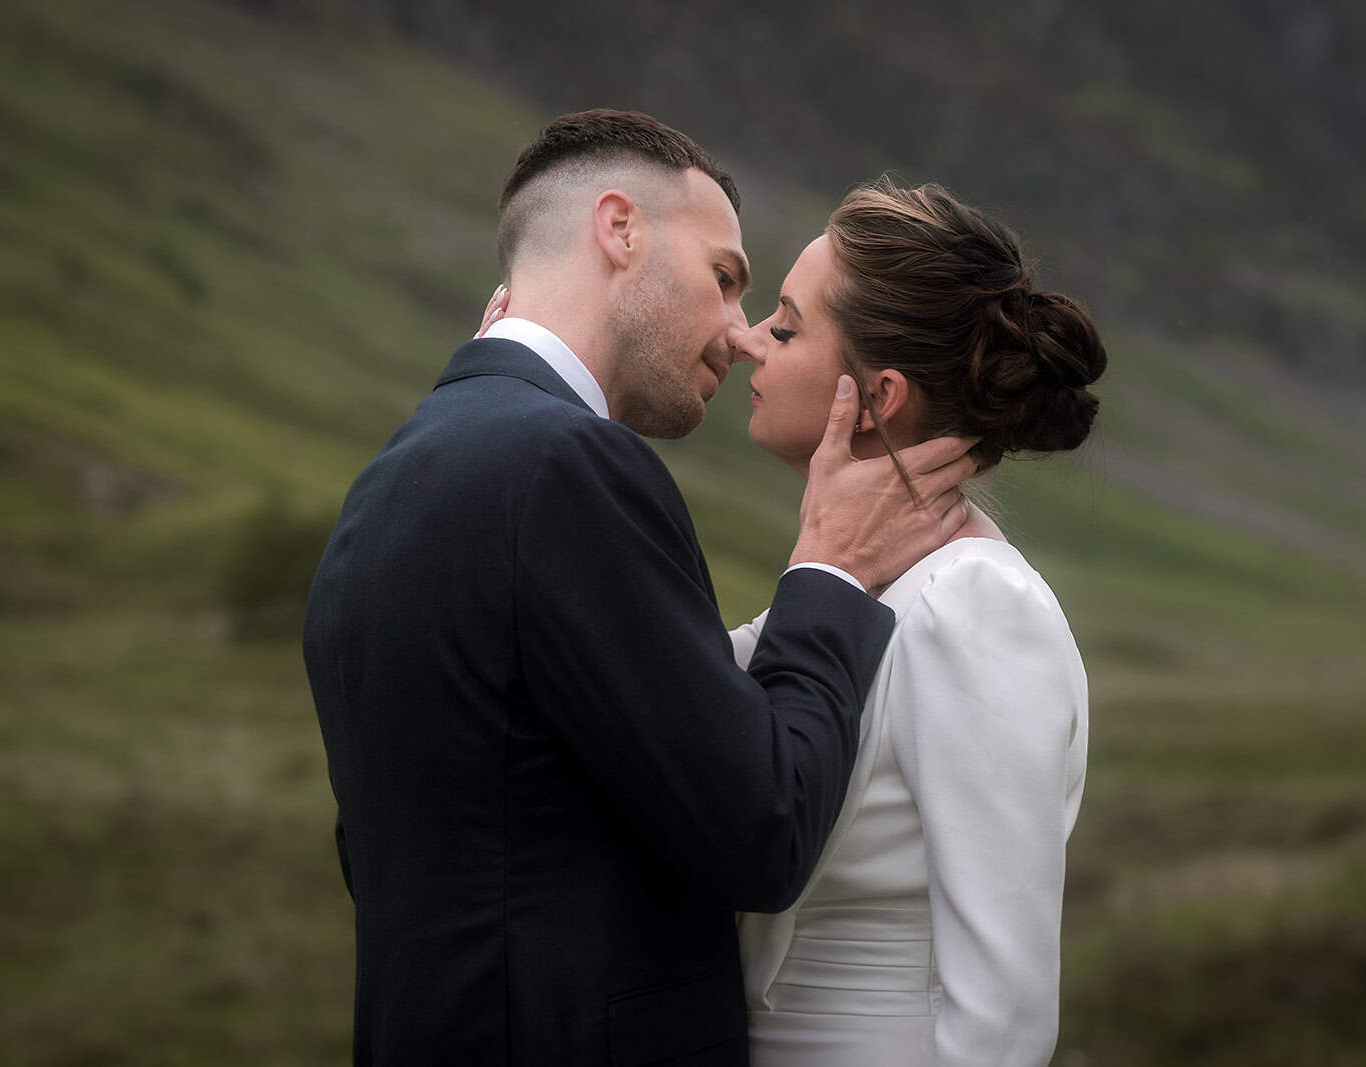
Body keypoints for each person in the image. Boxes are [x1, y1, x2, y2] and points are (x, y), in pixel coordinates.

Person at [302, 111, 978, 1065]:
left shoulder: (392, 478)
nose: (739, 334)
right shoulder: (563, 466)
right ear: (619, 229)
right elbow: (764, 830)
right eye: (724, 277)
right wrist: (830, 568)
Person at [729, 180, 1104, 1065]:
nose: (747, 339)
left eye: (786, 328)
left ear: (878, 395)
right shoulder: (852, 584)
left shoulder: (975, 606)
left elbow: (1005, 1016)